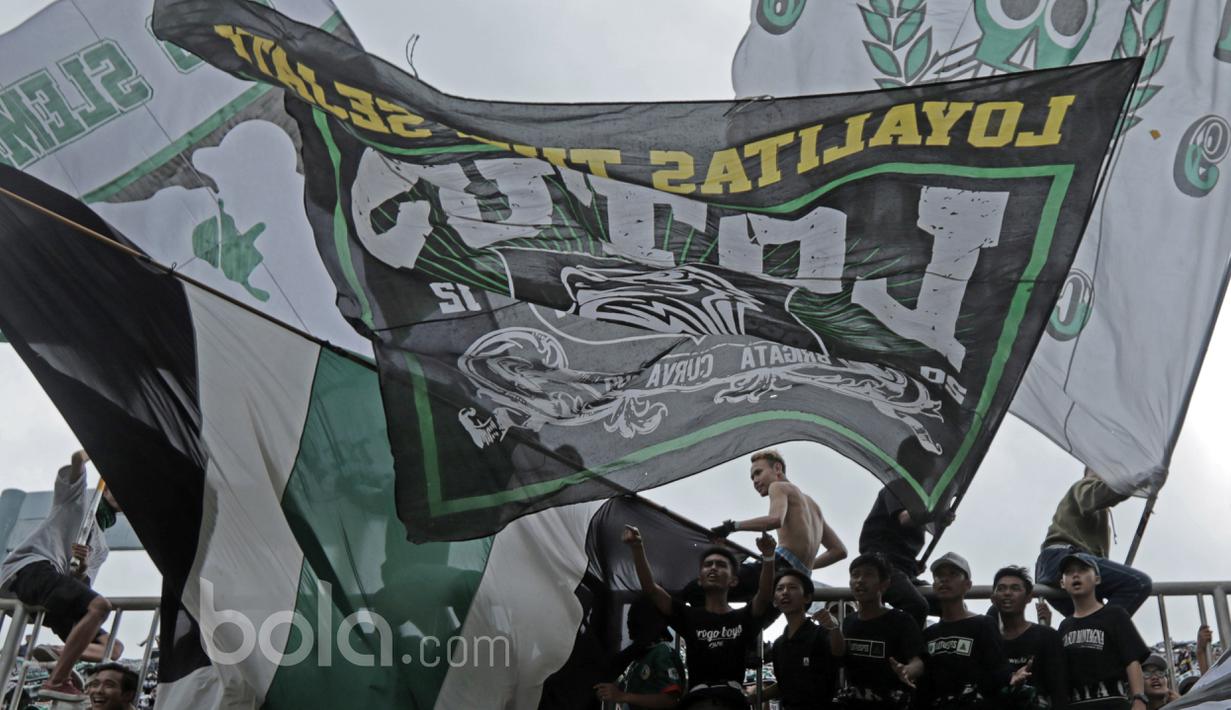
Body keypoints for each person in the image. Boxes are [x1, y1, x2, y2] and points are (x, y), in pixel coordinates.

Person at [0, 450, 120, 702]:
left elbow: (79, 586)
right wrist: (101, 447)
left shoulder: (101, 548)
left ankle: (58, 653)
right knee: (100, 606)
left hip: (52, 591)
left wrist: (82, 567)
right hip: (31, 570)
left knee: (112, 647)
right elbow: (77, 459)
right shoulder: (76, 500)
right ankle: (57, 679)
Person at [624, 523, 776, 709]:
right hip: (697, 702)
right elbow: (652, 590)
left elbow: (764, 594)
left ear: (733, 580)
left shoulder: (743, 618)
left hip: (732, 702)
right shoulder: (689, 617)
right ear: (700, 580)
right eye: (708, 565)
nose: (713, 568)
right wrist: (637, 547)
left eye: (721, 565)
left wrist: (769, 557)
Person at [709, 449, 847, 593]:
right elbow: (839, 550)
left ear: (777, 468)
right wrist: (808, 566)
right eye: (752, 478)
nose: (755, 481)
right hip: (801, 580)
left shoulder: (778, 486)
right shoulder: (813, 506)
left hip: (779, 567)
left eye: (758, 473)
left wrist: (731, 526)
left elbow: (775, 520)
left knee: (709, 583)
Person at [1035, 468, 1152, 617]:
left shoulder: (1097, 512)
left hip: (1053, 568)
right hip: (1065, 559)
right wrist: (1138, 478)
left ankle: (1098, 628)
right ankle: (1103, 627)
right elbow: (1096, 494)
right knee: (1138, 583)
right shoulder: (1083, 487)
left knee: (1089, 619)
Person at [915, 552, 1017, 710]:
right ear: (934, 586)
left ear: (968, 585)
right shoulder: (929, 634)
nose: (944, 579)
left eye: (953, 574)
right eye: (939, 575)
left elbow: (998, 673)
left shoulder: (983, 624)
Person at [1055, 552, 1150, 710]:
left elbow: (1132, 660)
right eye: (1069, 572)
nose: (1076, 575)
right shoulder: (1064, 625)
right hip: (1077, 703)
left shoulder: (1115, 614)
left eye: (1083, 570)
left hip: (1111, 701)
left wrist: (1139, 698)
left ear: (1097, 579)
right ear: (1062, 583)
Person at [836, 553, 924, 710]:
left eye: (868, 574)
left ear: (884, 584)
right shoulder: (848, 622)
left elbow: (918, 662)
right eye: (855, 575)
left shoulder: (902, 620)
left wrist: (907, 671)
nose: (860, 580)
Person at [757, 568, 844, 710]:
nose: (785, 592)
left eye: (792, 587)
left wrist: (834, 628)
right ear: (774, 601)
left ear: (807, 597)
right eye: (780, 589)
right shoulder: (779, 644)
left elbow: (839, 651)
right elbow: (784, 684)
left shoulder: (820, 633)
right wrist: (753, 697)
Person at [990, 566, 1067, 710]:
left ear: (1029, 597)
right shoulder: (988, 641)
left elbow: (1059, 690)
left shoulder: (1047, 636)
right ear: (993, 598)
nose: (1007, 593)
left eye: (1015, 588)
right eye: (1001, 588)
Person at [856, 487, 931, 627]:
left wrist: (911, 564)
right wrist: (936, 512)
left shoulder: (922, 501)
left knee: (945, 602)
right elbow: (905, 518)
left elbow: (899, 545)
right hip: (881, 566)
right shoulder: (896, 488)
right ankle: (903, 639)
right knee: (917, 606)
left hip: (904, 571)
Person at [594, 597, 685, 710]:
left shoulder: (661, 652)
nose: (628, 626)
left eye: (633, 620)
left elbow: (670, 700)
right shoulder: (641, 656)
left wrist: (622, 696)